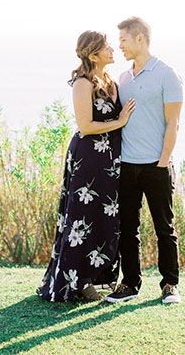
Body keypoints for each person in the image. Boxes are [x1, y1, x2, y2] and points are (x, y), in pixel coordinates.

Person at [37, 30, 136, 302]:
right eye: (107, 47)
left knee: (106, 220)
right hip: (89, 160)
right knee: (82, 219)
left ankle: (93, 277)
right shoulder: (83, 83)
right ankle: (77, 281)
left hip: (111, 161)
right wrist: (120, 122)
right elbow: (85, 126)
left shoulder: (111, 80)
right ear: (93, 55)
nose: (113, 49)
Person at [105, 16, 184, 305]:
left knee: (165, 228)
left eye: (123, 40)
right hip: (127, 165)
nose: (119, 46)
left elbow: (173, 123)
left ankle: (170, 285)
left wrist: (163, 162)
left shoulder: (167, 74)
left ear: (140, 39)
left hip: (157, 165)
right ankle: (130, 284)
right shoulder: (124, 78)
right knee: (128, 228)